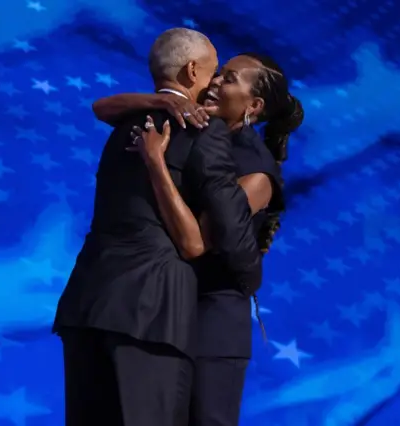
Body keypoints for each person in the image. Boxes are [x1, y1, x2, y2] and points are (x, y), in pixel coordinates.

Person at [52, 29, 263, 426]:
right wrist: (247, 274)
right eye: (212, 73)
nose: (214, 84)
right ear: (191, 70)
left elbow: (100, 106)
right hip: (152, 311)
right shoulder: (205, 131)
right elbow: (197, 245)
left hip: (88, 302)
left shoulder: (123, 121)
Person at [92, 53, 304, 426]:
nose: (216, 81)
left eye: (230, 78)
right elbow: (104, 108)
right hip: (170, 306)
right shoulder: (198, 125)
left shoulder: (256, 174)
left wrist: (155, 163)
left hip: (213, 323)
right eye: (219, 73)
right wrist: (162, 99)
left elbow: (196, 243)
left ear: (253, 105)